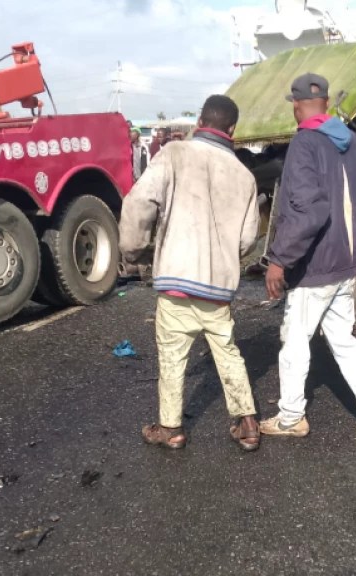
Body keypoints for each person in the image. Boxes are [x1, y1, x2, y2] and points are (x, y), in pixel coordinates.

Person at [120, 95, 261, 451]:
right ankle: (247, 424)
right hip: (218, 287)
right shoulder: (244, 176)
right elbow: (248, 239)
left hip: (177, 279)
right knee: (227, 352)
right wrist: (225, 258)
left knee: (172, 356)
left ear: (200, 121)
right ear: (232, 129)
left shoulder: (174, 154)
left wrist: (134, 250)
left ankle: (171, 429)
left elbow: (139, 202)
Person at [261, 73, 356, 438]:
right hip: (346, 260)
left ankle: (291, 418)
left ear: (296, 105)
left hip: (316, 264)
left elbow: (307, 210)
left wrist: (279, 259)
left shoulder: (304, 143)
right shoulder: (350, 139)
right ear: (325, 103)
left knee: (294, 342)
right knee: (342, 338)